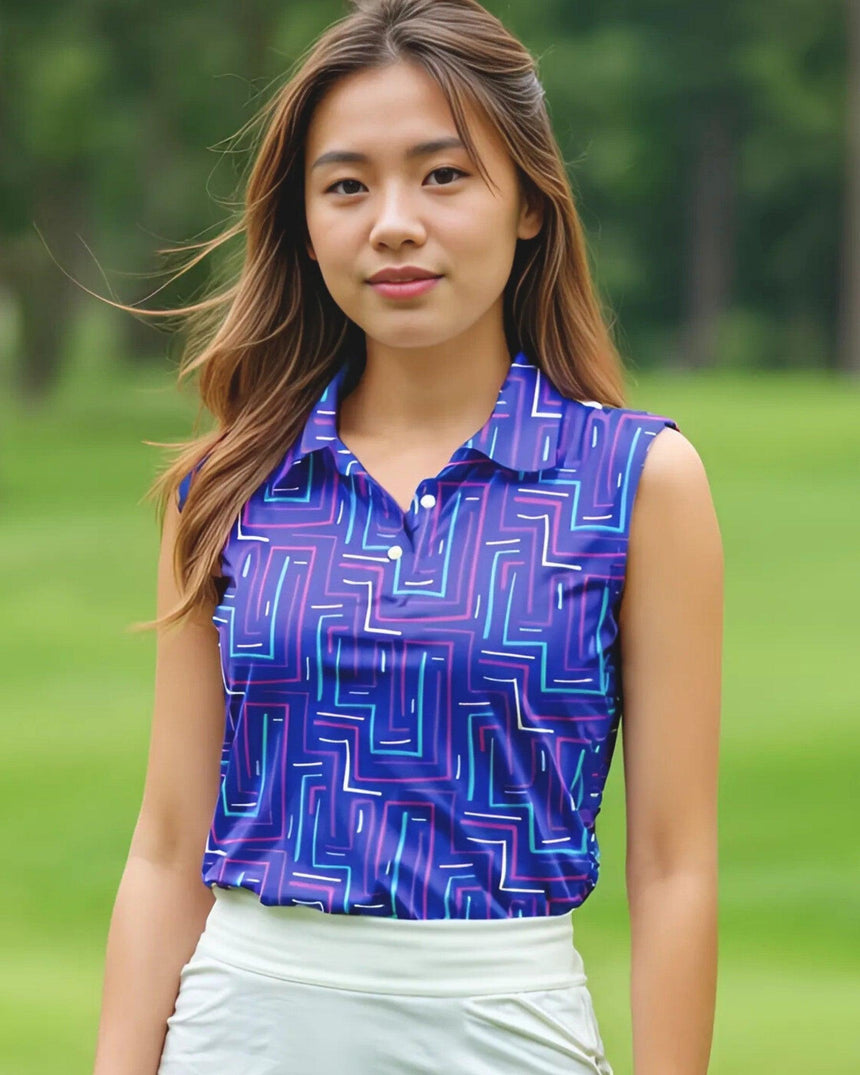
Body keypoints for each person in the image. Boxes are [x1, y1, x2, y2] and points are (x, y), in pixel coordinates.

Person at [92, 1, 722, 1072]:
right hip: (240, 1029)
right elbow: (165, 845)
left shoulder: (635, 481)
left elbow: (672, 867)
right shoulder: (228, 483)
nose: (391, 222)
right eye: (346, 185)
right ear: (302, 218)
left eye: (442, 175)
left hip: (505, 1028)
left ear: (526, 200)